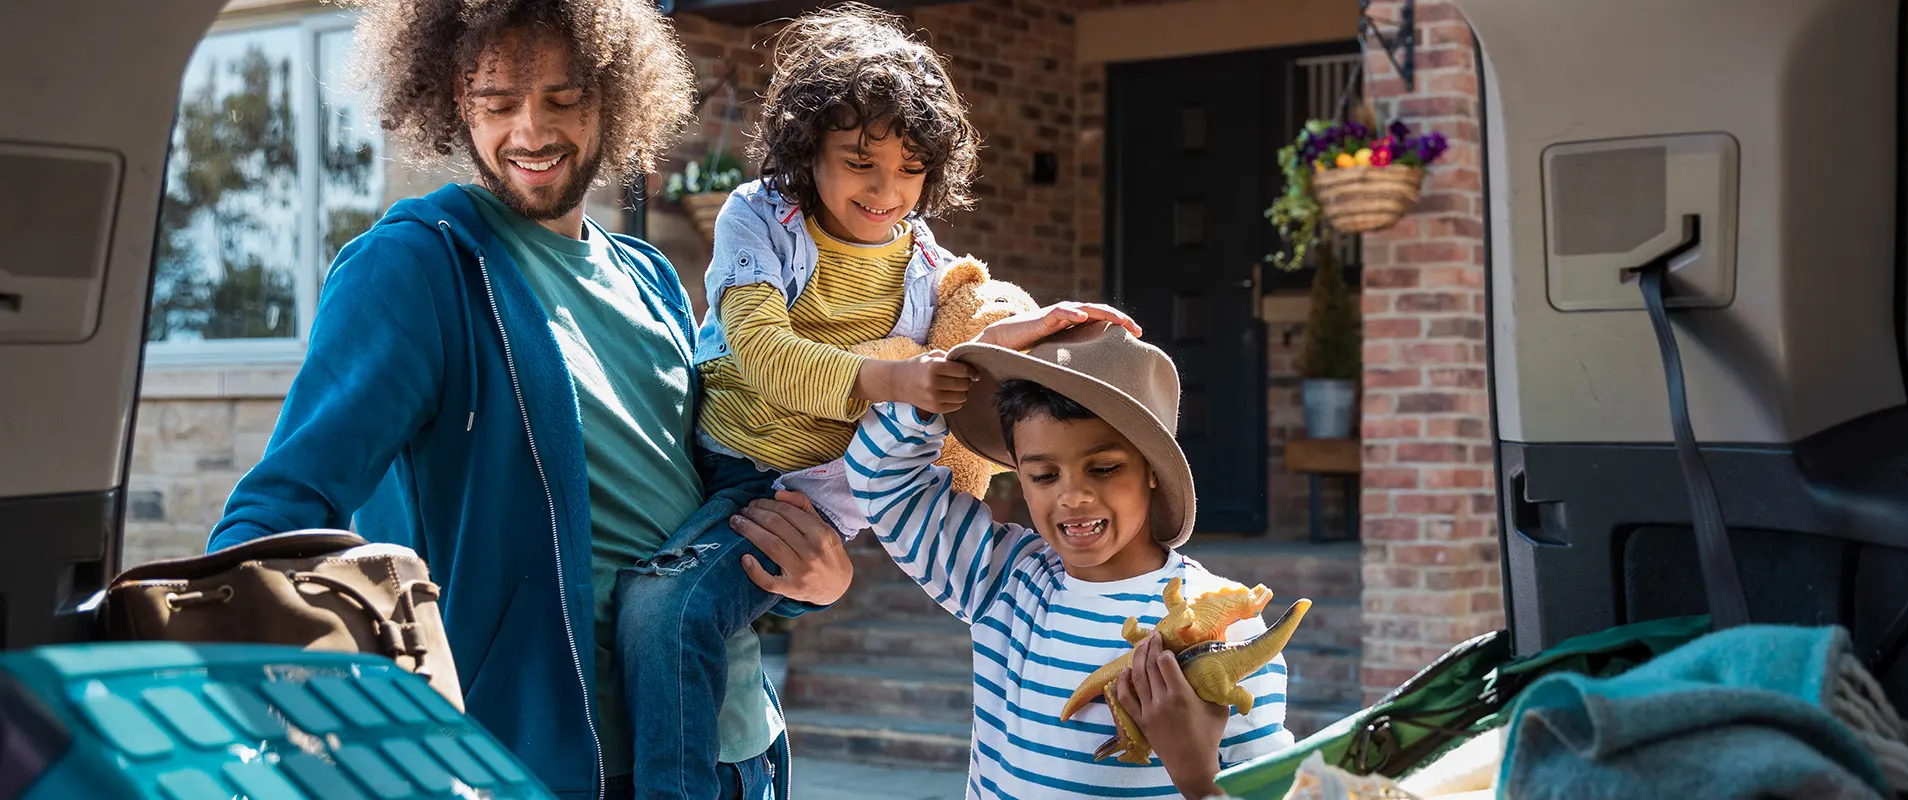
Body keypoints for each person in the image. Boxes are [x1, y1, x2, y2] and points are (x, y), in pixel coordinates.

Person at [202, 2, 849, 797]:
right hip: (559, 766)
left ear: (613, 95)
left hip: (738, 746)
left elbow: (712, 505)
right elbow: (283, 506)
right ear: (452, 99)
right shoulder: (415, 270)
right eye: (497, 103)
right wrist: (213, 676)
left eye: (564, 98)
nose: (532, 131)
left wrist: (815, 582)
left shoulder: (649, 281)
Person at [605, 7, 1087, 797]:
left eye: (911, 167)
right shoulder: (761, 216)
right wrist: (891, 377)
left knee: (669, 612)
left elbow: (977, 317)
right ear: (807, 152)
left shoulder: (926, 265)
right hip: (725, 456)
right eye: (860, 160)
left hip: (810, 499)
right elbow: (761, 353)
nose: (886, 190)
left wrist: (1028, 329)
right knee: (659, 612)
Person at [846, 321, 1297, 799]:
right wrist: (957, 374)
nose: (1073, 496)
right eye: (1043, 474)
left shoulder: (1222, 623)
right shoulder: (1001, 577)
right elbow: (882, 482)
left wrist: (1196, 774)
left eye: (1103, 468)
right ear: (1018, 474)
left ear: (1152, 470)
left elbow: (1277, 791)